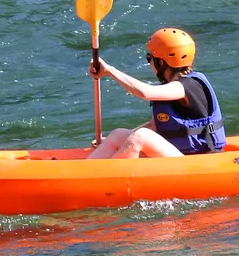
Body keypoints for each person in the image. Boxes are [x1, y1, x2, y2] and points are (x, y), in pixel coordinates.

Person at [87, 27, 227, 159]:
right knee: (118, 135)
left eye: (150, 58)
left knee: (140, 137)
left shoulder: (188, 86)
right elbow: (154, 126)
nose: (149, 63)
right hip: (180, 154)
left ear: (161, 62)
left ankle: (112, 179)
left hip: (202, 158)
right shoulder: (170, 87)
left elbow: (145, 92)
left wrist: (110, 71)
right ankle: (87, 174)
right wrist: (121, 141)